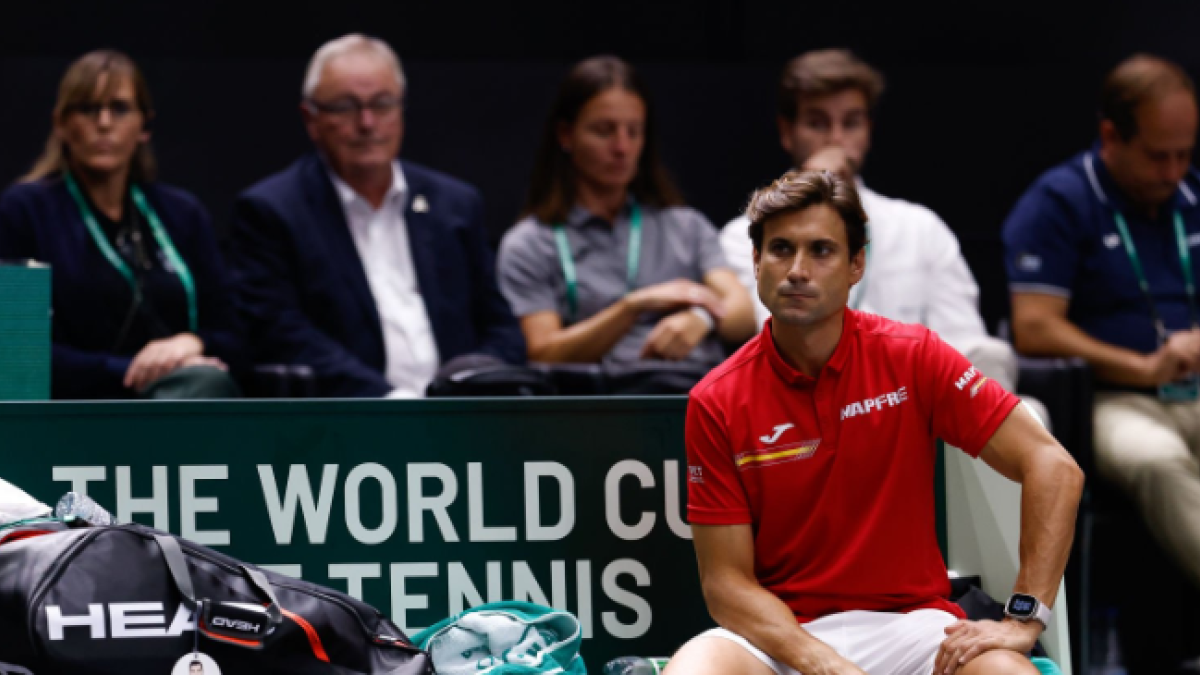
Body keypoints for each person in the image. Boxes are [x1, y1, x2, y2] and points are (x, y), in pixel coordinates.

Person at [669, 170, 1082, 675]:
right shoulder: (715, 399)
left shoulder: (914, 356)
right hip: (780, 635)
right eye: (780, 249)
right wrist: (822, 663)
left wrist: (1023, 618)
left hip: (913, 626)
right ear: (755, 262)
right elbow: (726, 585)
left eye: (821, 251)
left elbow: (1054, 466)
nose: (798, 270)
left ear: (856, 264)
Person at [229, 34, 525, 398]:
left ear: (401, 109)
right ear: (311, 119)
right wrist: (388, 400)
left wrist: (469, 384)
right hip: (348, 424)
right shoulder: (274, 211)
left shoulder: (456, 204)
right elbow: (279, 333)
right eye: (345, 106)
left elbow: (502, 329)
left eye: (382, 104)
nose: (368, 123)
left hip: (461, 422)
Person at [1003, 54, 1200, 588]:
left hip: (1192, 388)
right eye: (1159, 156)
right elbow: (1035, 328)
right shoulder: (1059, 203)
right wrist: (1141, 366)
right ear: (1111, 135)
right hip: (1112, 399)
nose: (1174, 172)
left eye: (1185, 154)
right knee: (1157, 460)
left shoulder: (1189, 196)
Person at [720, 50, 1020, 393]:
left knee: (1010, 386)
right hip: (803, 400)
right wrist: (813, 187)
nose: (836, 139)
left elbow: (965, 346)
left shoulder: (921, 227)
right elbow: (773, 338)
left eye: (850, 123)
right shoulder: (746, 232)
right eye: (817, 123)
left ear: (868, 132)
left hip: (912, 399)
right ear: (787, 132)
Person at [0, 50, 243, 400]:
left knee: (206, 385)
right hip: (73, 412)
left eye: (119, 108)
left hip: (184, 397)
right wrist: (137, 371)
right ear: (60, 123)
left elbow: (236, 336)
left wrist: (191, 342)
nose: (103, 123)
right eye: (87, 109)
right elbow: (17, 352)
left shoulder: (181, 213)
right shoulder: (24, 210)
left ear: (144, 125)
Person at [497, 56, 755, 381]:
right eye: (604, 131)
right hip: (597, 406)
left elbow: (744, 314)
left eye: (634, 131)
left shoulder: (685, 225)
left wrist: (701, 317)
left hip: (697, 394)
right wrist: (631, 308)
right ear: (566, 134)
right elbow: (544, 351)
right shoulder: (531, 243)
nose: (622, 147)